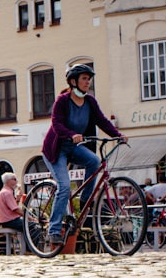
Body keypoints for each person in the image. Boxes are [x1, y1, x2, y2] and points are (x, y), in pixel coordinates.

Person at [41, 64, 125, 245]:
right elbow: (56, 123)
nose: (88, 82)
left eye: (89, 79)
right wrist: (71, 135)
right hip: (56, 149)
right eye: (84, 79)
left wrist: (117, 135)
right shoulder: (62, 101)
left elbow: (102, 120)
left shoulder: (90, 102)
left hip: (74, 147)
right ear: (73, 81)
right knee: (64, 187)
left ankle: (86, 201)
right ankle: (54, 230)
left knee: (94, 161)